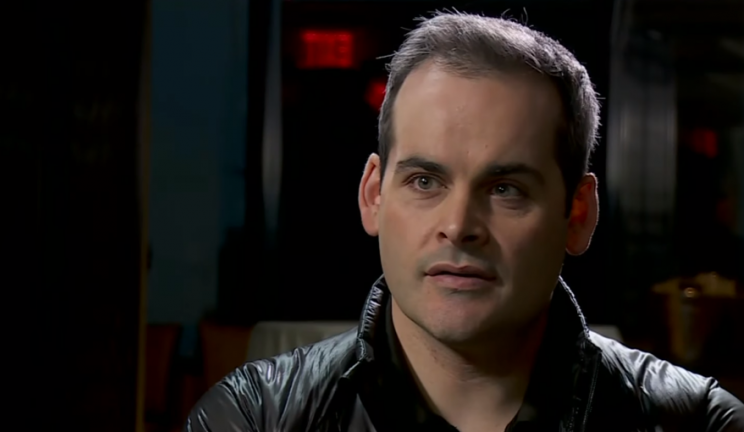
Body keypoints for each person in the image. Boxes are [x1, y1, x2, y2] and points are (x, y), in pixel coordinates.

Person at [185, 12, 744, 432]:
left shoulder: (698, 423)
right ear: (374, 195)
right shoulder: (254, 418)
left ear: (578, 215)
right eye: (425, 181)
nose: (458, 226)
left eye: (505, 189)